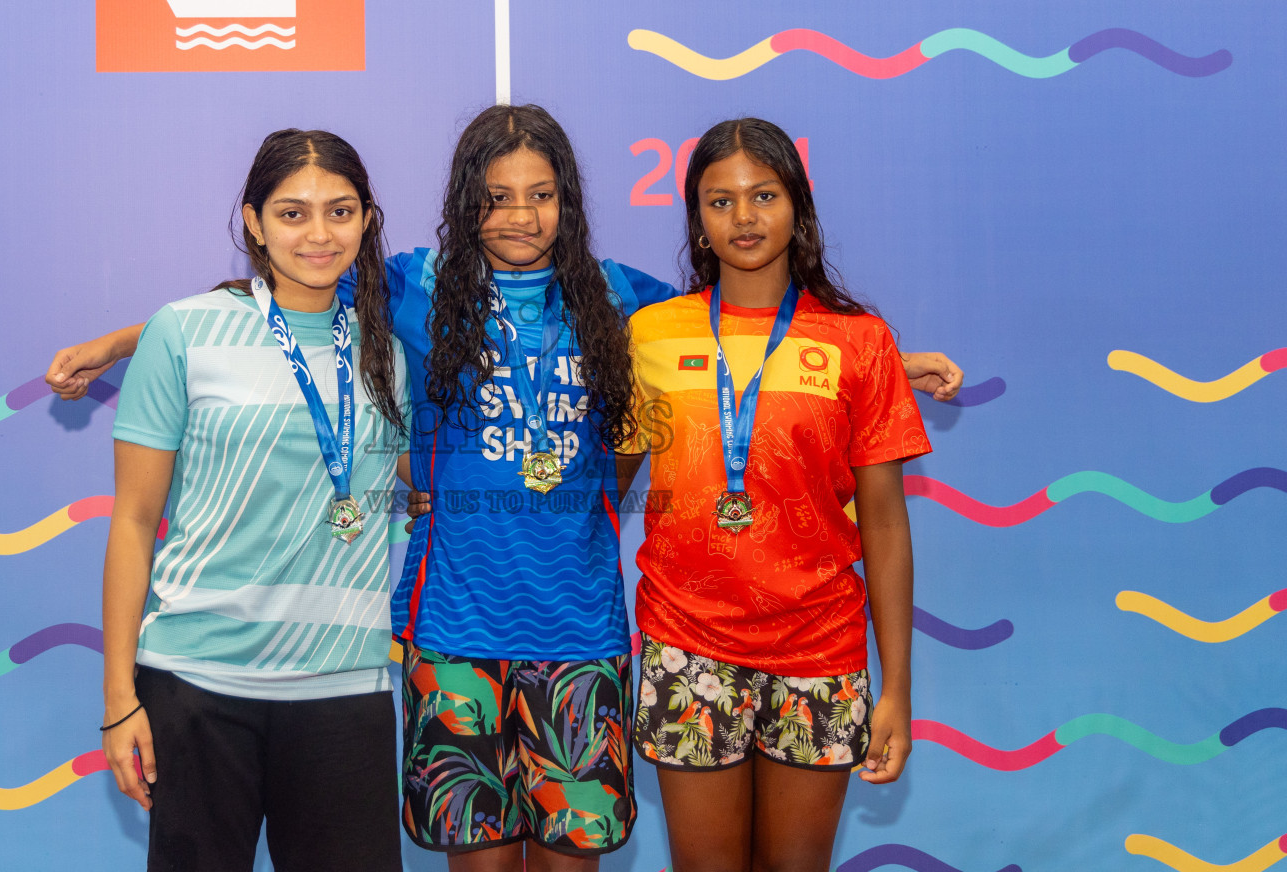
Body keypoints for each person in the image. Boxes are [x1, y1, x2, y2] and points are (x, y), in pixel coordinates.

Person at [51, 105, 962, 872]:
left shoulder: (618, 297)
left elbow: (738, 328)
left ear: (569, 201)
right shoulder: (417, 287)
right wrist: (119, 343)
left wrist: (891, 360)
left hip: (582, 639)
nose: (520, 216)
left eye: (541, 195)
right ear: (464, 204)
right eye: (495, 199)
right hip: (454, 640)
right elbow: (280, 301)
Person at [617, 118, 930, 872]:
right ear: (696, 218)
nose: (745, 217)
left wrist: (897, 692)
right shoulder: (651, 333)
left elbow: (885, 527)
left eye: (764, 195)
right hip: (687, 646)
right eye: (720, 201)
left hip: (819, 653)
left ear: (798, 207)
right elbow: (604, 483)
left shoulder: (860, 342)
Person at [99, 129, 408, 872]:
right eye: (292, 213)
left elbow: (408, 486)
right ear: (253, 221)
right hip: (199, 686)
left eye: (339, 212)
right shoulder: (184, 332)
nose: (318, 234)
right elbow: (135, 522)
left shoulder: (386, 353)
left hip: (345, 685)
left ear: (367, 219)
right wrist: (119, 698)